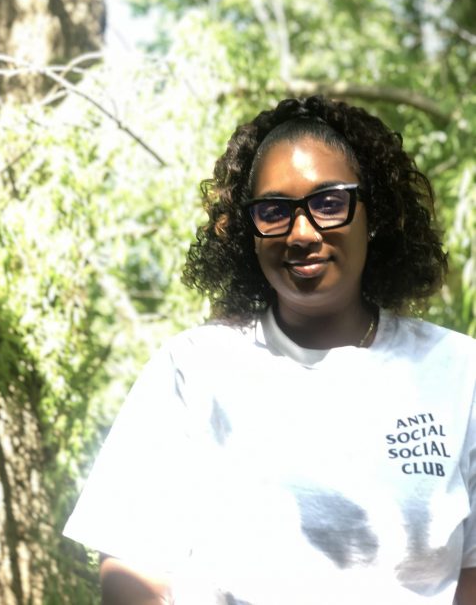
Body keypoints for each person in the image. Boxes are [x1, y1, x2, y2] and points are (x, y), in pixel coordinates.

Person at [63, 95, 476, 604]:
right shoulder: (192, 370)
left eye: (329, 202)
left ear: (376, 215)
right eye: (274, 211)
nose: (302, 233)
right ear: (248, 232)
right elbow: (134, 568)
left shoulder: (459, 374)